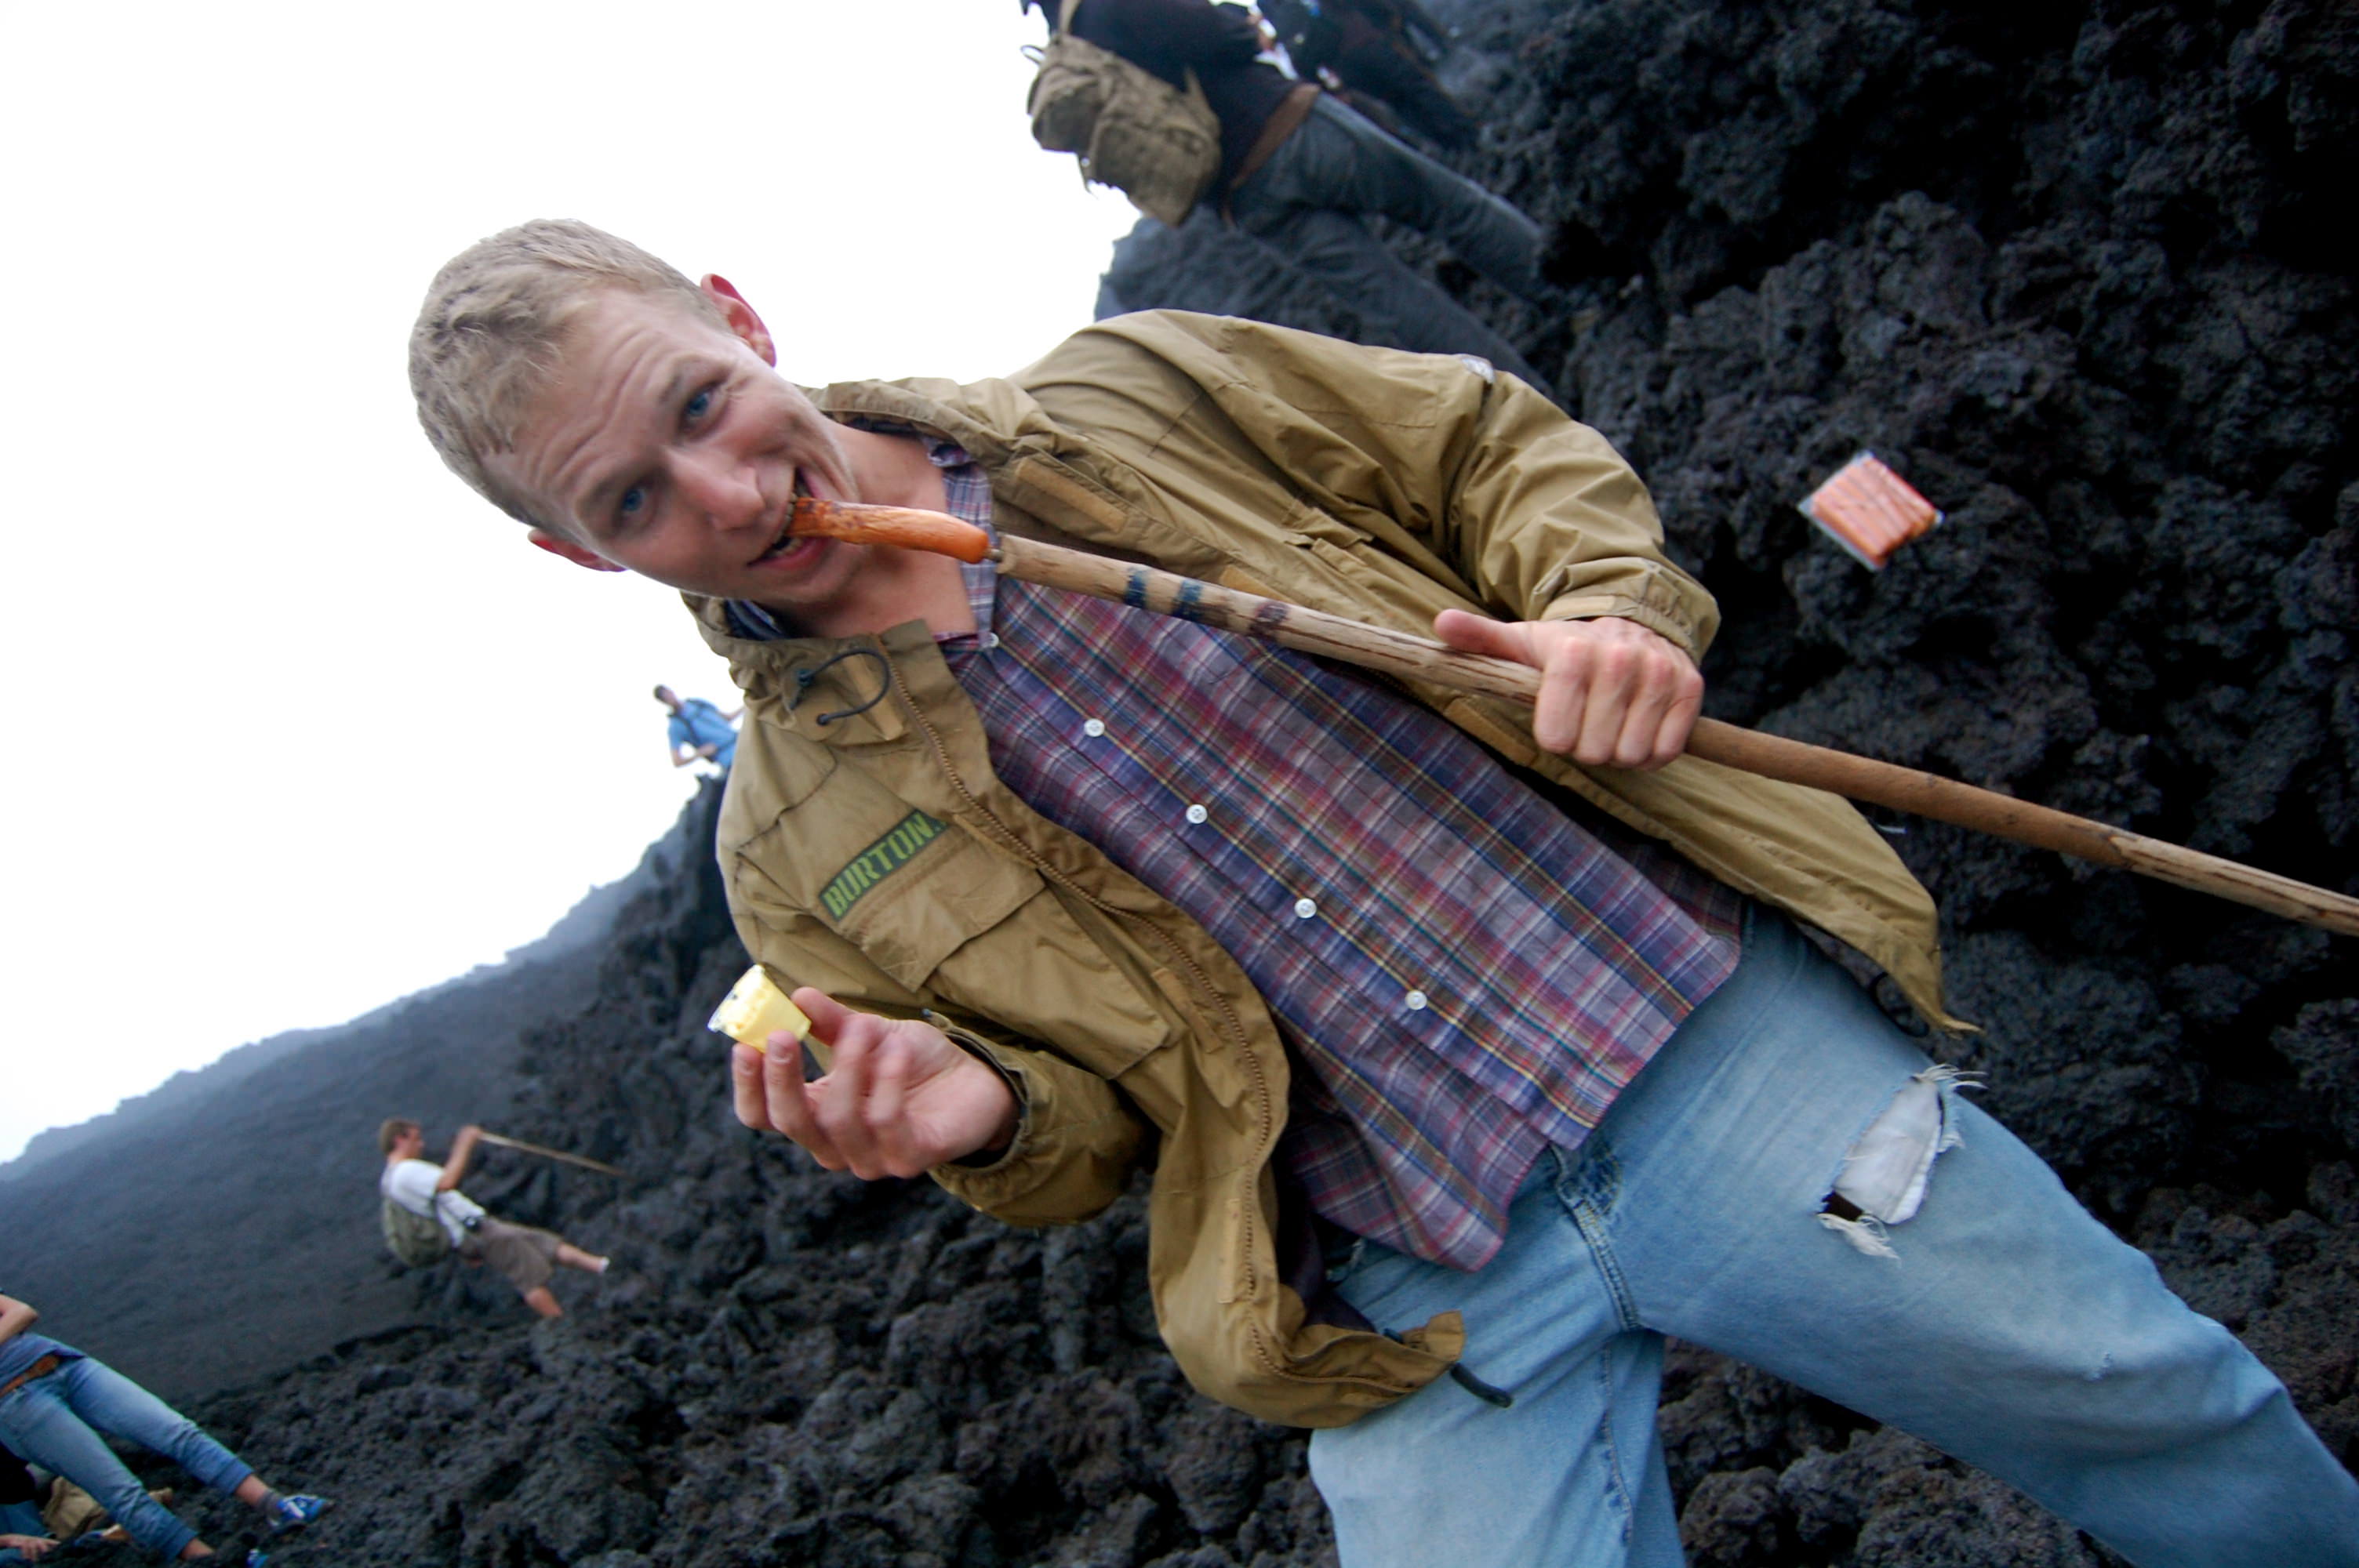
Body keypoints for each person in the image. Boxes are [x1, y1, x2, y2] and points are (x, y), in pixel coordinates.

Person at [404, 220, 2359, 1568]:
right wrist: (987, 1118)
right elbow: (1088, 1130)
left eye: (690, 405)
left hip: (1684, 1042)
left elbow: (1487, 443)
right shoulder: (787, 843)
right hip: (1408, 1282)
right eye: (635, 503)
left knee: (2144, 1400)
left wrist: (1595, 612)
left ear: (739, 315)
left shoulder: (1135, 390)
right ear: (583, 562)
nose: (725, 493)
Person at [1025, 0, 1558, 391]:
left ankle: (1528, 400)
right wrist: (1239, 20)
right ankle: (1570, 291)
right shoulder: (1108, 6)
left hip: (1245, 201)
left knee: (1396, 300)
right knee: (1452, 208)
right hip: (1296, 130)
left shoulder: (1071, 55)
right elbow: (1222, 36)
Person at [0, 1294, 329, 1562]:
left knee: (176, 1431)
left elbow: (22, 1312)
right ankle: (212, 1561)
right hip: (16, 1403)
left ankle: (278, 1506)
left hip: (61, 1363)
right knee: (122, 1493)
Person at [377, 1120, 609, 1319]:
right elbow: (448, 1181)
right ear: (400, 1139)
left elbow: (435, 1209)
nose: (421, 1144)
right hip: (476, 1232)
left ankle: (603, 1267)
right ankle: (562, 1324)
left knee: (544, 1243)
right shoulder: (405, 1171)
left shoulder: (391, 1179)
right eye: (416, 1139)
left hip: (477, 1228)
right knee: (528, 1278)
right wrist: (465, 1143)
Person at [1264, 0, 1474, 151]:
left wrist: (1332, 90)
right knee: (1418, 85)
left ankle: (1446, 142)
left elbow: (1301, 63)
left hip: (1345, 69)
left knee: (1398, 103)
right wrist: (1389, 19)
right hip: (1368, 42)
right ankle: (1466, 129)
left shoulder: (1281, 15)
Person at [654, 684, 740, 770]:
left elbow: (728, 718)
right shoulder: (676, 727)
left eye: (667, 693)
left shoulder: (698, 703)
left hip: (741, 742)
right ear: (663, 702)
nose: (669, 697)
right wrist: (700, 753)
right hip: (728, 759)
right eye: (665, 697)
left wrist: (747, 705)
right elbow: (677, 761)